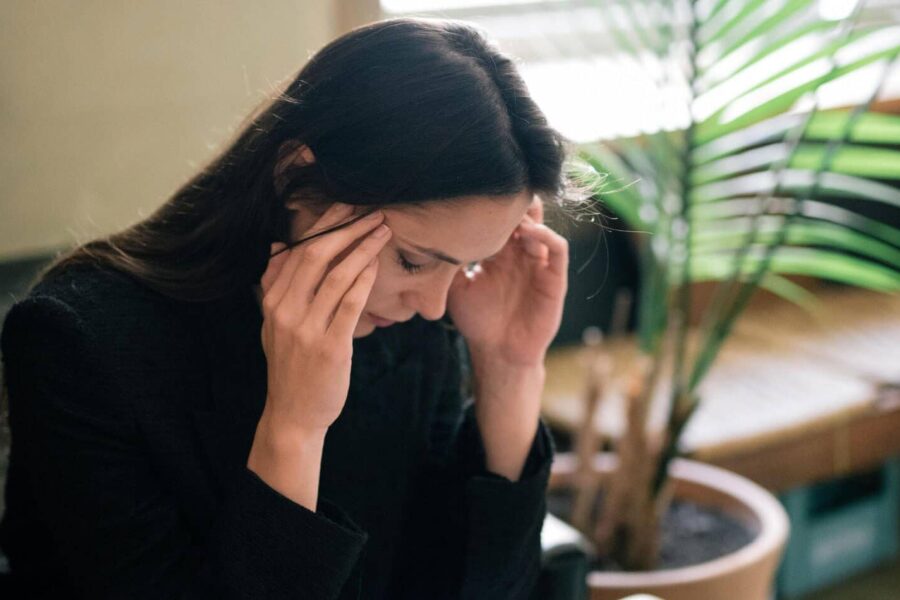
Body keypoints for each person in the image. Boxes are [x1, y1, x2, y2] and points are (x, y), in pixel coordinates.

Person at [0, 16, 584, 600]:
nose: (434, 305)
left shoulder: (407, 334)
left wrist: (509, 368)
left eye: (466, 265)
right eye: (412, 260)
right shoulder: (78, 344)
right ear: (297, 178)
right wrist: (295, 428)